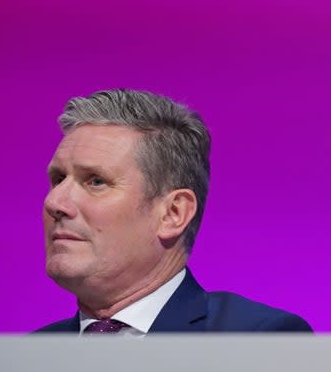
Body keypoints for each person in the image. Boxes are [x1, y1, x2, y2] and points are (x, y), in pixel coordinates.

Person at [36, 89, 312, 334]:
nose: (55, 202)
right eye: (58, 179)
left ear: (172, 213)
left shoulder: (254, 341)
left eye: (96, 181)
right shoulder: (27, 355)